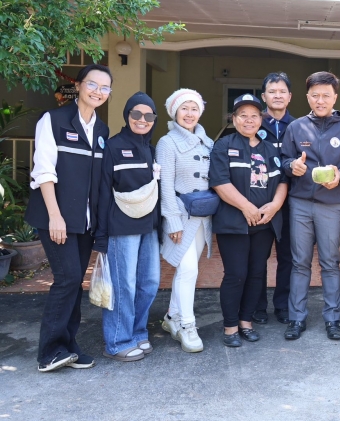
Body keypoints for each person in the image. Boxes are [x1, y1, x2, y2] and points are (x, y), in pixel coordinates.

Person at [26, 64, 112, 372]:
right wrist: (55, 216)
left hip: (84, 221)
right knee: (68, 279)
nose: (98, 91)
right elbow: (44, 171)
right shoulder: (54, 120)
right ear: (78, 85)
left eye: (105, 87)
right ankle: (49, 352)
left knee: (75, 282)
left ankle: (68, 346)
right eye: (92, 84)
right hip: (56, 217)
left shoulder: (102, 131)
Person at [281, 72, 340, 341]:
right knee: (299, 263)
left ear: (334, 97)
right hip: (300, 203)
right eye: (315, 95)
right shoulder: (296, 128)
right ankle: (296, 318)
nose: (320, 100)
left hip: (331, 204)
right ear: (307, 97)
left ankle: (332, 318)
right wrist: (292, 166)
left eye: (325, 95)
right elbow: (284, 160)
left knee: (330, 262)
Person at [209, 94, 288, 347]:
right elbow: (220, 182)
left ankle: (246, 322)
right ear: (234, 119)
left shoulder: (270, 149)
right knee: (236, 274)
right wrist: (246, 207)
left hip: (264, 223)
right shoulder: (223, 146)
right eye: (243, 115)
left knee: (256, 273)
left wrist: (275, 206)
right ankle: (230, 327)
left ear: (261, 119)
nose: (249, 120)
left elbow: (282, 181)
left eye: (254, 115)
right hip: (234, 223)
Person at [94, 92, 161, 362]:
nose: (142, 119)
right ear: (127, 115)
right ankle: (117, 341)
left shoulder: (151, 149)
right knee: (124, 285)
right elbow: (102, 192)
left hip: (149, 228)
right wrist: (100, 234)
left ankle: (137, 332)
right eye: (136, 114)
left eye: (148, 115)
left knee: (149, 283)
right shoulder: (113, 147)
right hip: (121, 228)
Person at [156, 88, 214, 353]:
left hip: (203, 216)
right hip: (180, 214)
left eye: (194, 109)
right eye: (184, 108)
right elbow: (165, 185)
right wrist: (172, 221)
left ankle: (172, 316)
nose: (189, 114)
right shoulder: (167, 143)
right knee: (189, 269)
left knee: (187, 270)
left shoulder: (207, 142)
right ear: (174, 112)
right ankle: (188, 326)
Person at [252, 72, 295, 325]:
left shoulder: (300, 126)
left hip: (291, 203)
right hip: (260, 201)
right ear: (264, 96)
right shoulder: (254, 124)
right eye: (272, 91)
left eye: (282, 92)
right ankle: (257, 306)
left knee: (288, 256)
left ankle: (283, 305)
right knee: (258, 257)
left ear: (290, 97)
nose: (277, 96)